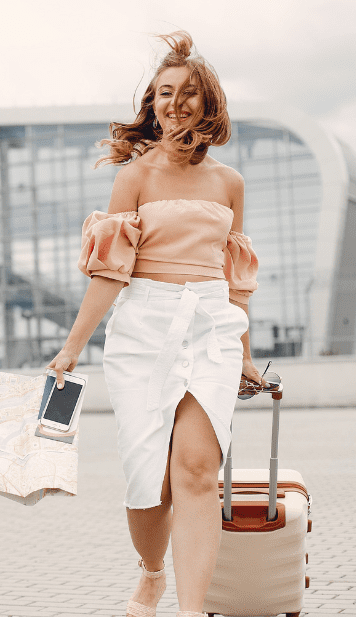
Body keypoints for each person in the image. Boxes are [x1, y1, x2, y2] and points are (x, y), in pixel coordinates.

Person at [47, 31, 265, 617]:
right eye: (165, 92)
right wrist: (72, 348)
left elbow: (233, 277)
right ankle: (151, 571)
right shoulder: (135, 177)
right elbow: (110, 272)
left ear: (208, 102)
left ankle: (192, 611)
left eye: (189, 92)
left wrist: (243, 353)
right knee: (151, 482)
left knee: (197, 470)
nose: (176, 102)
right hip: (143, 329)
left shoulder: (229, 183)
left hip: (210, 328)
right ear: (153, 103)